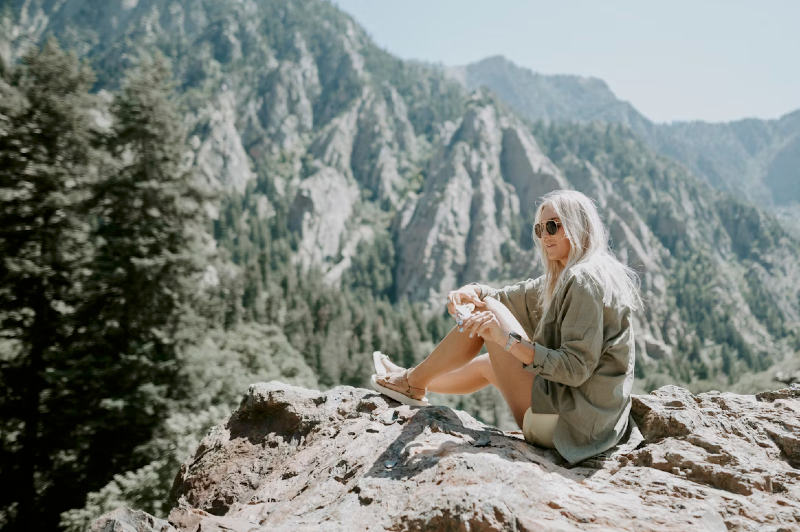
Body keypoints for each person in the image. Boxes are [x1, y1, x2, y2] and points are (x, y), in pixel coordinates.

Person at [371, 189, 642, 465]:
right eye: (539, 229)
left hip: (572, 430)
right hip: (594, 424)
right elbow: (507, 297)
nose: (544, 236)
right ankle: (413, 379)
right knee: (486, 363)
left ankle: (411, 383)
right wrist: (472, 290)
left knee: (487, 313)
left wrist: (508, 342)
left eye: (552, 226)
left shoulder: (583, 280)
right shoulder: (575, 274)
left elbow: (575, 368)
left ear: (578, 226)